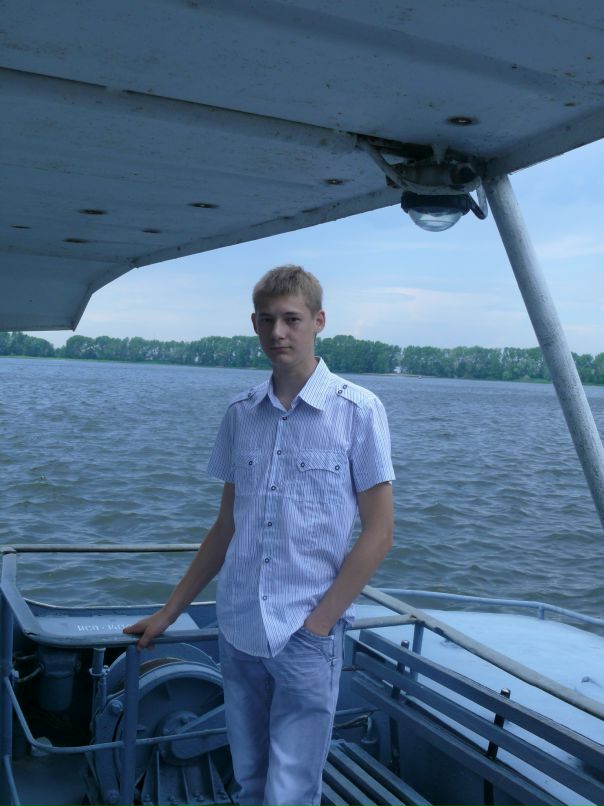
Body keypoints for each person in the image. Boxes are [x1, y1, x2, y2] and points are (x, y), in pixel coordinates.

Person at [124, 265, 395, 806]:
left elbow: (379, 533)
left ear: (318, 321)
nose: (278, 332)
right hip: (238, 627)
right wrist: (169, 613)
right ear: (254, 324)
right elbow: (226, 526)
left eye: (292, 319)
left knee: (290, 791)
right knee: (249, 779)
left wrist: (319, 626)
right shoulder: (240, 414)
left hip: (306, 634)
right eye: (267, 320)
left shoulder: (358, 411)